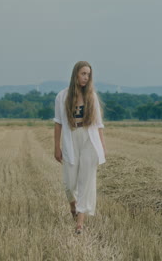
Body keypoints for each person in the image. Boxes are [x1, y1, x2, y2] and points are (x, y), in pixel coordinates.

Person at [53, 61, 106, 234]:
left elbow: (98, 125)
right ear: (76, 74)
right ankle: (73, 206)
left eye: (88, 75)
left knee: (86, 182)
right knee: (69, 184)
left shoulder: (92, 97)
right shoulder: (62, 96)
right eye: (83, 74)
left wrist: (102, 149)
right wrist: (56, 147)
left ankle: (80, 224)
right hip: (71, 137)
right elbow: (58, 123)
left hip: (89, 139)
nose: (86, 77)